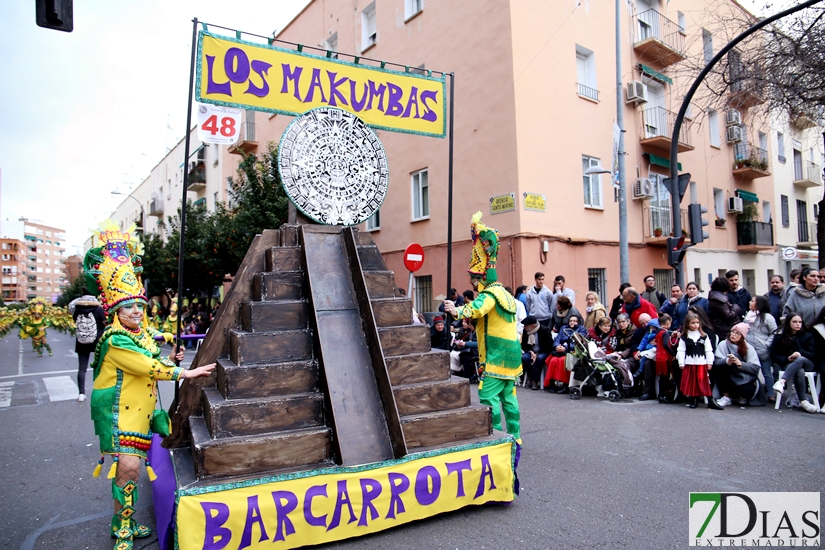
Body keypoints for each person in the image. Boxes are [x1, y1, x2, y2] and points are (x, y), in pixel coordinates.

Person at [83, 222, 215, 550]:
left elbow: (154, 346)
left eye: (140, 306)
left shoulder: (138, 334)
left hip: (140, 415)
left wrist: (173, 348)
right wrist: (184, 372)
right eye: (129, 307)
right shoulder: (115, 341)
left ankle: (126, 521)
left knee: (131, 471)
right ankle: (122, 529)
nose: (137, 312)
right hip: (119, 416)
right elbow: (149, 366)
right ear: (115, 310)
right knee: (127, 469)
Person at [443, 212, 522, 442]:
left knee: (488, 398)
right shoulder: (505, 294)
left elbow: (476, 308)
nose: (473, 285)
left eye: (475, 280)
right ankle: (515, 437)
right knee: (509, 398)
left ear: (482, 278)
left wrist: (456, 310)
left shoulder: (489, 294)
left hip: (496, 358)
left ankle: (496, 437)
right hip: (511, 358)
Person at [771, 313, 818, 413]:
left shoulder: (807, 335)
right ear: (788, 323)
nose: (798, 324)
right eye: (794, 322)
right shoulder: (780, 337)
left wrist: (800, 353)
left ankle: (782, 382)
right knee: (799, 371)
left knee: (800, 359)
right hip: (790, 364)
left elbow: (813, 354)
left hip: (808, 363)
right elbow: (774, 355)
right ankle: (803, 401)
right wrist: (787, 359)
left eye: (800, 322)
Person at [713, 323, 763, 407]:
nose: (733, 335)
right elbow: (717, 362)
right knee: (720, 369)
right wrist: (727, 361)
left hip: (745, 379)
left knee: (747, 389)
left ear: (742, 336)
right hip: (729, 376)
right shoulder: (723, 344)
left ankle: (743, 397)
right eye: (732, 332)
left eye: (737, 333)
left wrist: (741, 364)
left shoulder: (748, 347)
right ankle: (726, 396)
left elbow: (755, 367)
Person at [676, 312, 718, 409]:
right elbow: (681, 350)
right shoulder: (684, 337)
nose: (695, 325)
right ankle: (694, 399)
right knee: (692, 382)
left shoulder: (704, 336)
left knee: (703, 381)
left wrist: (709, 362)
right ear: (687, 324)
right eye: (693, 323)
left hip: (701, 363)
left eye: (697, 323)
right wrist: (681, 362)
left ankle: (710, 400)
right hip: (690, 363)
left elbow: (708, 350)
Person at [72, 288, 106, 402]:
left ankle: (81, 393)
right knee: (101, 366)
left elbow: (75, 322)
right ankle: (100, 391)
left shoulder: (77, 309)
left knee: (82, 368)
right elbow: (105, 323)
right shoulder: (99, 309)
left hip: (81, 341)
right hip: (98, 341)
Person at [745, 296, 777, 403]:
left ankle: (771, 393)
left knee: (766, 372)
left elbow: (774, 332)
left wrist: (767, 344)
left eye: (753, 301)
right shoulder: (748, 316)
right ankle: (754, 393)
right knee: (751, 373)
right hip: (750, 349)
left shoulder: (768, 317)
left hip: (763, 350)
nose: (750, 302)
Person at [544, 315, 587, 393]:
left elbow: (579, 343)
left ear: (578, 322)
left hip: (572, 352)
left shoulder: (581, 329)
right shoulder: (564, 328)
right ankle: (552, 382)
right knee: (553, 360)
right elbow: (558, 338)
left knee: (562, 361)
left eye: (574, 321)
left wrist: (566, 347)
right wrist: (557, 346)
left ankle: (565, 384)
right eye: (570, 321)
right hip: (561, 351)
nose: (572, 322)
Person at [520, 315, 553, 390]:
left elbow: (549, 346)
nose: (524, 327)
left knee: (540, 358)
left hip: (543, 351)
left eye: (526, 325)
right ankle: (530, 377)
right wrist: (531, 351)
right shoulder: (526, 331)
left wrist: (537, 354)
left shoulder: (545, 330)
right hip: (531, 351)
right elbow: (524, 345)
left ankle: (536, 380)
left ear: (532, 326)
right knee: (525, 358)